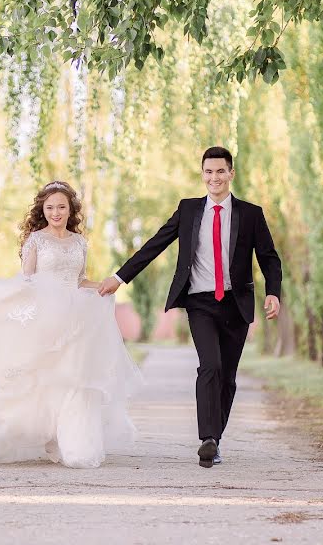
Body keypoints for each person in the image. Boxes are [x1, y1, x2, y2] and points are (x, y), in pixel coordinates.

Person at [0, 180, 142, 469]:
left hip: (76, 318)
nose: (55, 212)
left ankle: (72, 442)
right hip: (44, 317)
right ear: (41, 210)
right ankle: (45, 434)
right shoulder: (36, 241)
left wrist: (103, 287)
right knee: (45, 377)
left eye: (61, 207)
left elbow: (79, 280)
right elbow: (27, 280)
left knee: (75, 377)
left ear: (71, 210)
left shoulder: (79, 242)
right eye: (50, 207)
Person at [98, 146, 282, 468]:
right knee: (209, 365)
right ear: (202, 174)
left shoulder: (250, 214)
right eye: (208, 172)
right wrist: (119, 277)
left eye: (220, 171)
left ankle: (216, 438)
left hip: (236, 303)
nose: (214, 178)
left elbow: (268, 256)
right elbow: (154, 244)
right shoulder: (189, 210)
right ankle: (207, 439)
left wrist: (273, 292)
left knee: (227, 376)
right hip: (200, 302)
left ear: (231, 173)